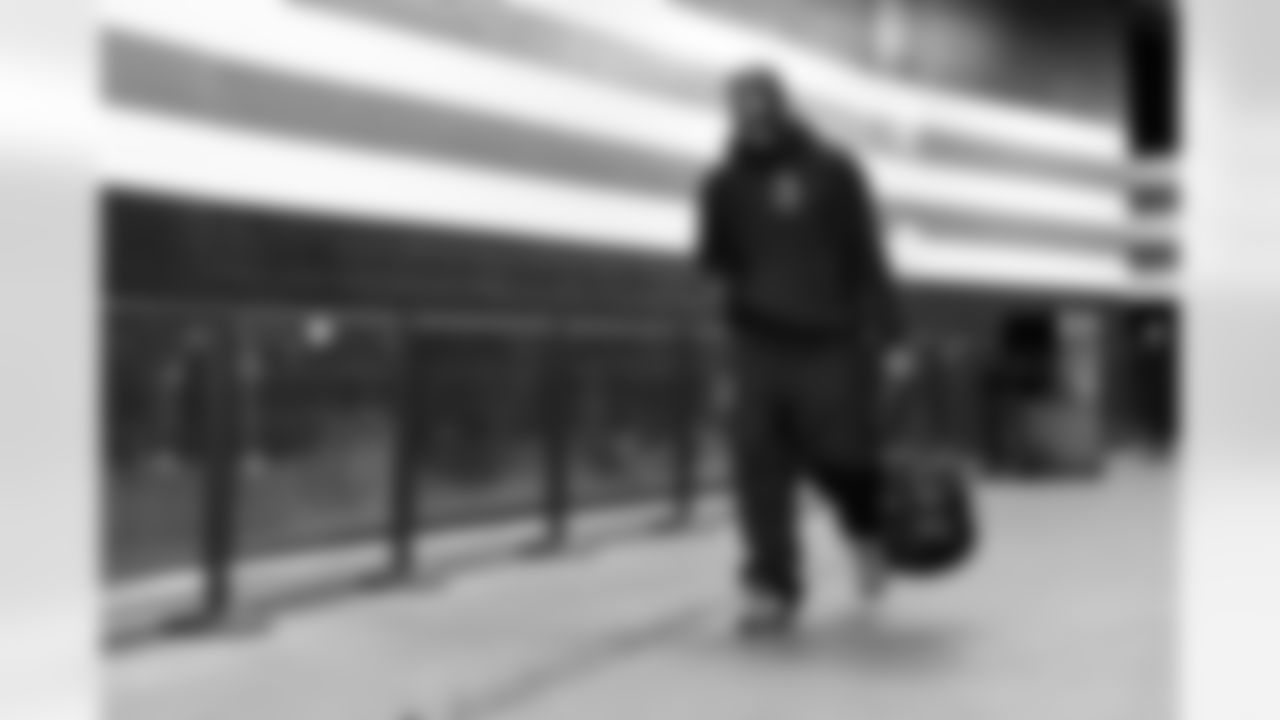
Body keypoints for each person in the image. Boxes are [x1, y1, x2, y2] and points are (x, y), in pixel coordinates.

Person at [696, 67, 912, 635]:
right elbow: (718, 269)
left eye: (759, 106)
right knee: (757, 464)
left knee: (844, 457)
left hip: (832, 341)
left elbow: (868, 255)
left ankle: (864, 532)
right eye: (739, 108)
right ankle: (771, 583)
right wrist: (723, 356)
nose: (750, 119)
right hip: (756, 344)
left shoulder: (835, 171)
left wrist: (892, 339)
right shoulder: (721, 183)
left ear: (781, 108)